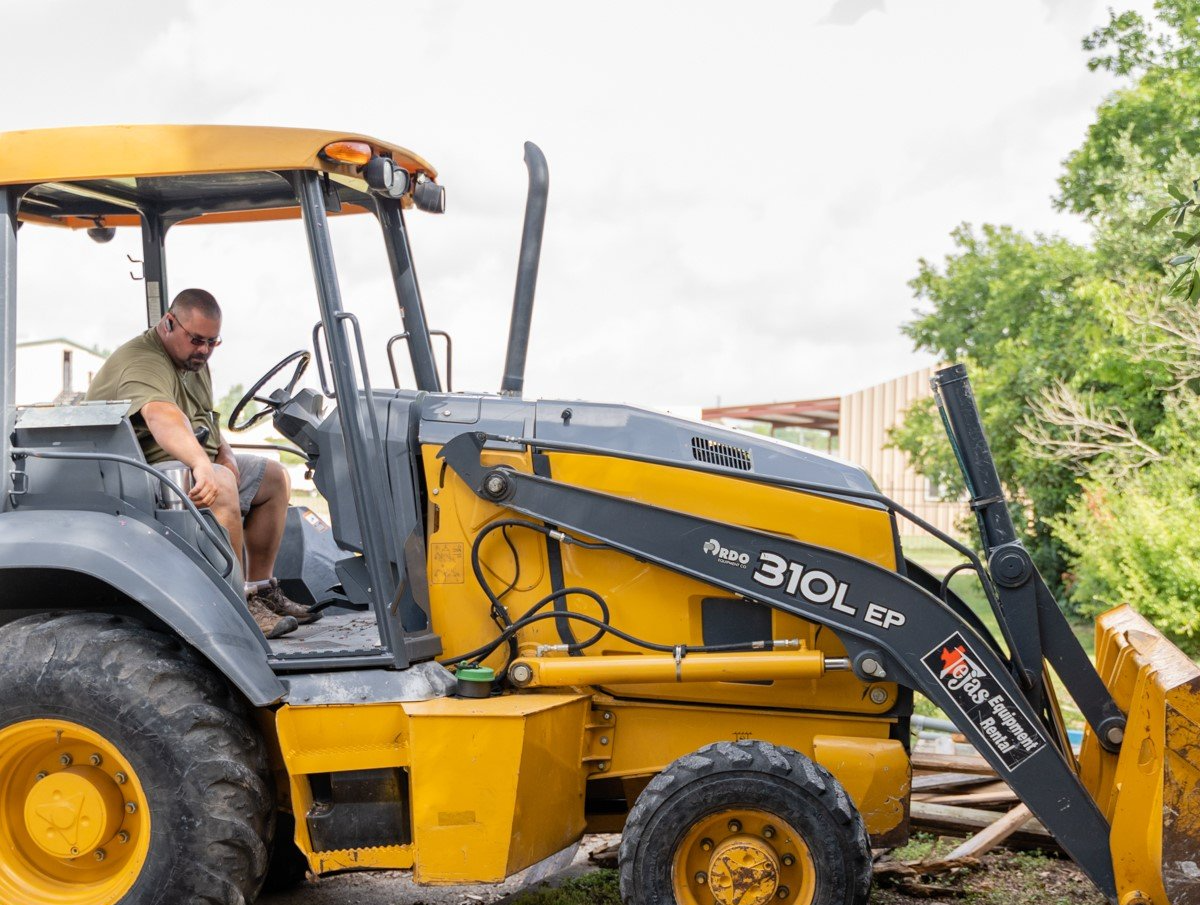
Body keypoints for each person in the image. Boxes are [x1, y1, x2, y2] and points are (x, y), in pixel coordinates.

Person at [86, 288, 317, 639]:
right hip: (136, 474)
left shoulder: (192, 363)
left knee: (274, 477)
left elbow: (202, 420)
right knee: (221, 481)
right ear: (168, 323)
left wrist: (221, 451)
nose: (204, 351)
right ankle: (237, 605)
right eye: (196, 340)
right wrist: (203, 464)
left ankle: (260, 588)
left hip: (182, 465)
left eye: (213, 342)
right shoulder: (143, 361)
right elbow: (161, 415)